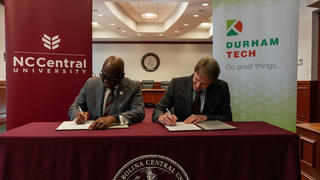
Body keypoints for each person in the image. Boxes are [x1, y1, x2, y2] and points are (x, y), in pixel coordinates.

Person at [68, 55, 145, 129]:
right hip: (93, 131)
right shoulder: (91, 84)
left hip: (119, 135)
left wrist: (114, 119)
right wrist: (77, 115)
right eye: (103, 76)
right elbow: (74, 107)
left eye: (111, 79)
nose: (105, 81)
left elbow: (139, 112)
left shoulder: (133, 87)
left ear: (122, 76)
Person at [152, 57, 232, 125]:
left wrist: (206, 117)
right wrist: (162, 118)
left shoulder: (221, 87)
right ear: (194, 72)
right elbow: (159, 109)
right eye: (196, 79)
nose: (197, 86)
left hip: (209, 134)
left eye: (203, 84)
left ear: (212, 81)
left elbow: (227, 117)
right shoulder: (177, 84)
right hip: (181, 133)